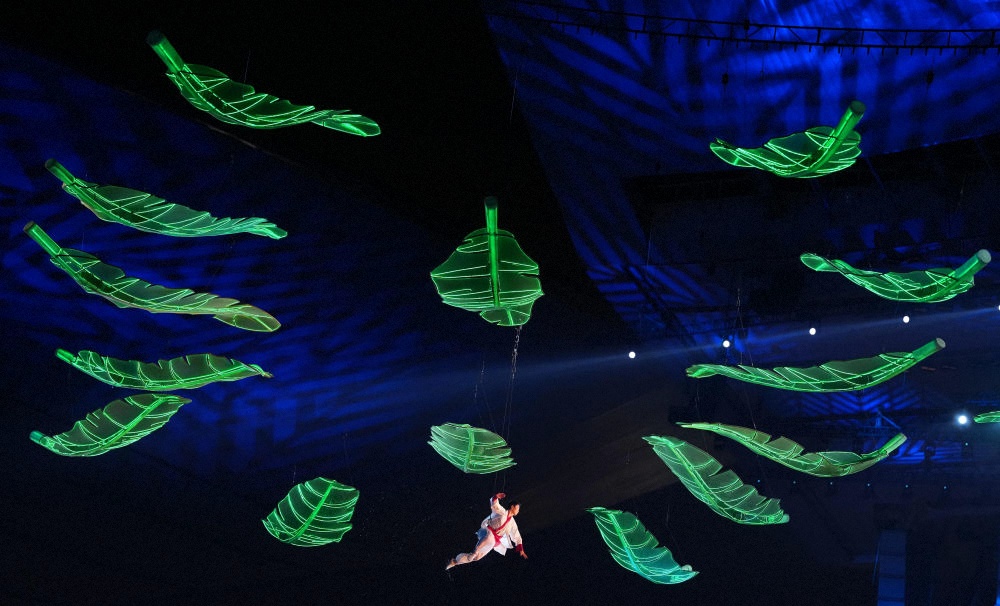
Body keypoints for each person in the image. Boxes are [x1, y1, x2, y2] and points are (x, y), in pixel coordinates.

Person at [446, 492, 527, 570]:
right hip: (487, 531)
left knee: (477, 557)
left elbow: (516, 535)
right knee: (489, 539)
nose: (518, 511)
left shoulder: (512, 523)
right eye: (517, 508)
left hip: (494, 540)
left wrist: (521, 549)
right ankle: (475, 551)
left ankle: (455, 562)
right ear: (512, 507)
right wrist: (496, 497)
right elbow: (495, 505)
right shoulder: (502, 512)